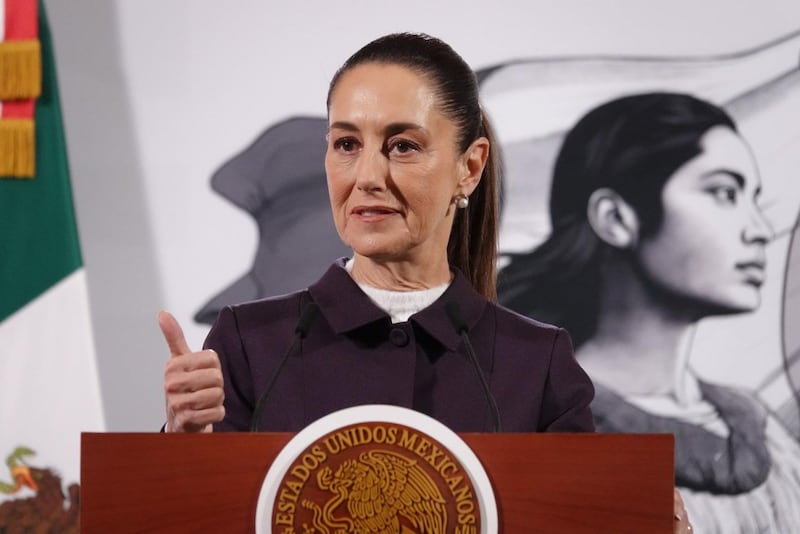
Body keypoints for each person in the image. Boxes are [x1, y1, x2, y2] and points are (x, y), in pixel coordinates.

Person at [158, 33, 692, 532]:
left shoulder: (538, 363)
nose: (367, 175)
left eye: (403, 146)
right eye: (346, 144)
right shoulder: (250, 345)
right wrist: (184, 450)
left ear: (470, 167)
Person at [498, 92, 800, 533]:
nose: (760, 230)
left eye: (752, 198)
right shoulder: (535, 420)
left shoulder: (763, 429)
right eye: (723, 192)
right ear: (616, 218)